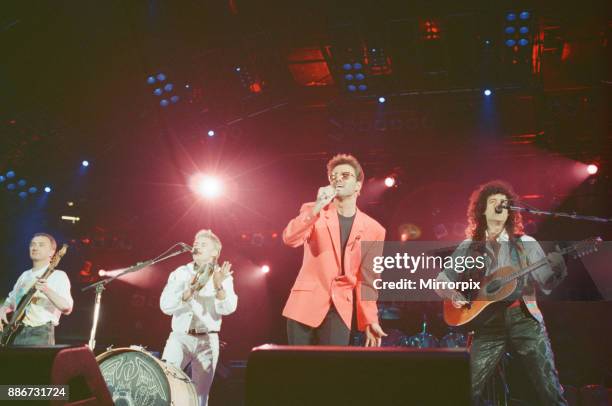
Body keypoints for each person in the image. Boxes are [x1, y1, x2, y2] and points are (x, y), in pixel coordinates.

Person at [436, 180, 568, 405]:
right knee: (466, 387)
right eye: (493, 202)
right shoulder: (469, 246)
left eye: (504, 203)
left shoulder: (525, 243)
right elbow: (442, 280)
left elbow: (546, 283)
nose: (500, 206)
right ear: (482, 210)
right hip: (486, 324)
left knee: (549, 388)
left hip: (524, 319)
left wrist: (558, 267)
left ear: (511, 211)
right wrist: (452, 294)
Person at [283, 153, 387, 346]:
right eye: (333, 176)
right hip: (304, 303)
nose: (338, 178)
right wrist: (317, 208)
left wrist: (370, 319)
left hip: (339, 309)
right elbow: (290, 238)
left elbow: (368, 280)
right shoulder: (314, 211)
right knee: (297, 370)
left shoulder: (374, 229)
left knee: (331, 370)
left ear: (358, 185)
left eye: (345, 175)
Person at [160, 229, 237, 406]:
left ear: (215, 252)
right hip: (179, 337)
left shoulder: (222, 275)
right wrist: (187, 294)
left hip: (207, 341)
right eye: (195, 243)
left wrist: (218, 286)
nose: (196, 245)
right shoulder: (180, 273)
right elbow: (165, 306)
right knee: (166, 382)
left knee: (200, 395)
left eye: (203, 244)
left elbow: (229, 308)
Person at [0, 233, 73, 346]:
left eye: (41, 245)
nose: (35, 247)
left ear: (52, 252)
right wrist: (3, 309)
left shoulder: (59, 275)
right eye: (32, 244)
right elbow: (11, 301)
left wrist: (46, 290)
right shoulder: (24, 275)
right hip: (15, 332)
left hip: (40, 332)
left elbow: (67, 307)